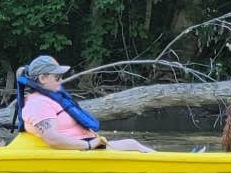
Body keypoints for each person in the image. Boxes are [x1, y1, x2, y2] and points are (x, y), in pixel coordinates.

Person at [16, 55, 155, 153]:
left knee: (133, 144)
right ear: (42, 78)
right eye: (57, 77)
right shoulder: (39, 104)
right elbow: (52, 138)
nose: (61, 80)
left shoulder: (50, 99)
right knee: (133, 147)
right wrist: (88, 145)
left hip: (88, 148)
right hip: (81, 151)